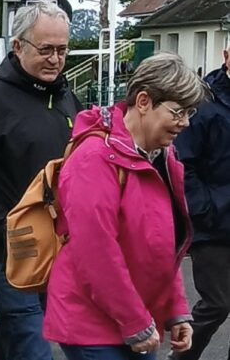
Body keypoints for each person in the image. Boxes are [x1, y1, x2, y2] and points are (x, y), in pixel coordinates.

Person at [44, 53, 204, 359]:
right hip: (93, 326)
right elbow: (95, 252)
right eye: (178, 111)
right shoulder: (94, 157)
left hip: (138, 320)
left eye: (190, 112)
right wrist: (136, 321)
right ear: (143, 101)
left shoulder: (161, 157)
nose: (184, 122)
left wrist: (175, 310)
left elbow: (161, 244)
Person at [0, 0, 81, 360]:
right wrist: (9, 231)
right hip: (7, 252)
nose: (55, 59)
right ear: (18, 46)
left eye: (62, 50)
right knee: (31, 345)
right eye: (46, 49)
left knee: (10, 341)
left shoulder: (69, 100)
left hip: (59, 248)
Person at [172, 48, 230, 360]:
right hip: (213, 225)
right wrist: (205, 209)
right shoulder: (204, 105)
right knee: (217, 304)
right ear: (227, 54)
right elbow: (184, 164)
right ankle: (181, 355)